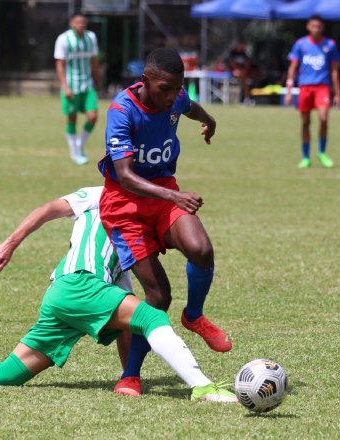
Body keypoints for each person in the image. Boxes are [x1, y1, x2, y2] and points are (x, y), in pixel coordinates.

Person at [0, 186, 236, 403]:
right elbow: (48, 209)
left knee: (6, 374)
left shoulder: (142, 218)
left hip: (64, 294)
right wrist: (10, 242)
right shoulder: (101, 195)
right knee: (153, 316)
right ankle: (203, 387)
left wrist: (130, 376)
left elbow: (127, 323)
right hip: (80, 283)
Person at [98, 48, 232, 397]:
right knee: (158, 296)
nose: (172, 96)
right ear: (146, 83)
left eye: (178, 88)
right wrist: (175, 197)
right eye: (165, 89)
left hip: (163, 193)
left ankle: (195, 316)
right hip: (124, 207)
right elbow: (125, 176)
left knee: (201, 249)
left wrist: (211, 120)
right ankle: (130, 375)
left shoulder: (174, 96)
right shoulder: (122, 112)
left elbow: (190, 107)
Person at [285, 15, 340, 169]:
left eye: (319, 27)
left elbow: (334, 70)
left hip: (322, 87)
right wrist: (289, 90)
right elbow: (293, 67)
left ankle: (322, 152)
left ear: (322, 28)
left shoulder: (330, 45)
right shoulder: (300, 44)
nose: (316, 29)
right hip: (305, 87)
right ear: (308, 27)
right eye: (313, 26)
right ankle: (305, 157)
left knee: (323, 118)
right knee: (305, 122)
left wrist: (337, 93)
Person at [54, 12, 102, 165]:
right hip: (71, 86)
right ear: (71, 23)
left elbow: (94, 61)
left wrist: (98, 79)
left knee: (93, 117)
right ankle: (74, 152)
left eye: (83, 22)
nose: (81, 24)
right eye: (77, 22)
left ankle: (80, 144)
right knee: (72, 118)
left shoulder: (91, 37)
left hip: (87, 85)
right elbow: (60, 64)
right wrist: (65, 87)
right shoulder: (63, 39)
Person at [227, 40, 252, 104]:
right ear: (239, 45)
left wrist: (244, 70)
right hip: (233, 71)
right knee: (243, 78)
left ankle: (247, 99)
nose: (244, 47)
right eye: (243, 45)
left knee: (245, 80)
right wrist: (238, 69)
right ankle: (246, 98)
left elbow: (247, 63)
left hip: (242, 73)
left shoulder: (243, 53)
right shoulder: (233, 53)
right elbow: (231, 63)